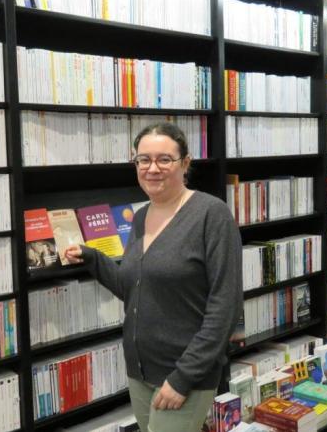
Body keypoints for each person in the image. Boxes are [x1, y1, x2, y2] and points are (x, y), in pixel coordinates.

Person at [64, 122, 242, 432]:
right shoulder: (143, 215)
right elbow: (132, 287)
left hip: (183, 375)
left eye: (164, 159)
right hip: (140, 372)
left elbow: (224, 307)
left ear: (185, 163)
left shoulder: (212, 214)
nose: (152, 168)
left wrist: (183, 378)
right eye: (143, 159)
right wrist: (91, 257)